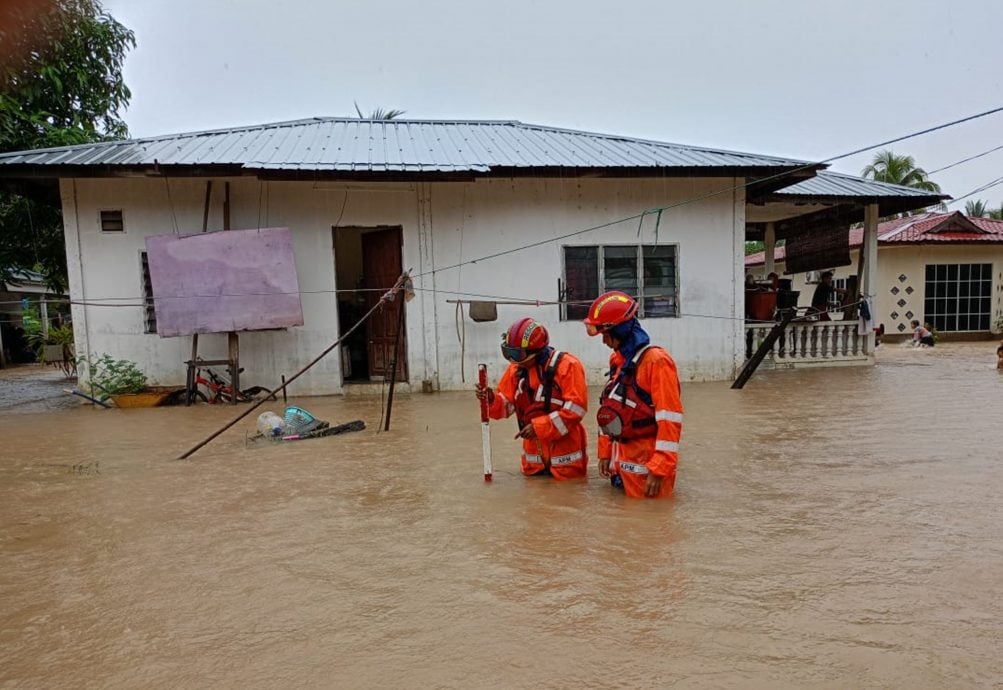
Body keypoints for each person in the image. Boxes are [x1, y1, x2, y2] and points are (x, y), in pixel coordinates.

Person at [584, 291, 683, 499]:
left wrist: (659, 469)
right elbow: (611, 409)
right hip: (620, 465)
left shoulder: (657, 362)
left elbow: (669, 420)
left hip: (647, 469)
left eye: (606, 334)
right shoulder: (618, 361)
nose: (604, 341)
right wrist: (605, 453)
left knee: (652, 524)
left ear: (619, 331)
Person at [474, 317, 589, 480]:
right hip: (533, 465)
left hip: (566, 463)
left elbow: (577, 410)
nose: (512, 360)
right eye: (508, 353)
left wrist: (539, 428)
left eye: (516, 354)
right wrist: (491, 400)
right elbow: (505, 407)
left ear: (536, 351)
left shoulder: (568, 366)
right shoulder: (515, 371)